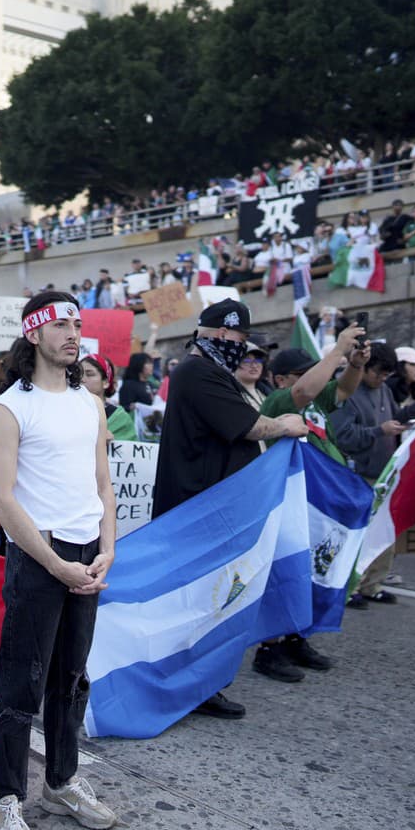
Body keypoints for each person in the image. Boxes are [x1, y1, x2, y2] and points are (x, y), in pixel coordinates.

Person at [0, 292, 118, 830]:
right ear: (34, 334)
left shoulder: (91, 401)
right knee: (22, 683)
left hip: (88, 553)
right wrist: (54, 562)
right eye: (60, 324)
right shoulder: (12, 406)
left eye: (78, 323)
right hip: (41, 558)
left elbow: (103, 484)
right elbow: (0, 498)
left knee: (72, 677)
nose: (73, 332)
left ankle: (61, 782)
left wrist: (107, 549)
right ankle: (4, 800)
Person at [152, 299, 308, 719]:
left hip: (207, 507)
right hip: (199, 509)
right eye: (242, 341)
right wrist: (287, 426)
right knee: (202, 604)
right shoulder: (199, 372)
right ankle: (194, 686)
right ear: (222, 335)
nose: (245, 350)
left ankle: (199, 683)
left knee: (209, 602)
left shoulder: (206, 372)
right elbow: (250, 426)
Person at [253, 332, 367, 681]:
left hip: (321, 504)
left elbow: (345, 389)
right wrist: (337, 351)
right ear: (280, 380)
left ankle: (296, 637)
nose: (316, 376)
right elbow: (303, 391)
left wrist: (356, 365)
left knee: (313, 570)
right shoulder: (278, 402)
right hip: (291, 502)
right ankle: (268, 649)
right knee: (285, 571)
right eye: (306, 371)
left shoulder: (317, 404)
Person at [332, 342, 415, 607]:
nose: (382, 378)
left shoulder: (384, 390)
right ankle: (347, 586)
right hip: (357, 475)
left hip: (384, 474)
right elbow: (343, 436)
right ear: (364, 367)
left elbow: (396, 417)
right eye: (378, 373)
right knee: (356, 536)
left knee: (384, 534)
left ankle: (372, 585)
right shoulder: (348, 393)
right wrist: (380, 431)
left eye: (387, 374)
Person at [79, 353, 135, 441]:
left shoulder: (120, 418)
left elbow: (130, 450)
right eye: (78, 374)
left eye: (89, 374)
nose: (81, 379)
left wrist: (113, 442)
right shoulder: (68, 409)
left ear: (105, 382)